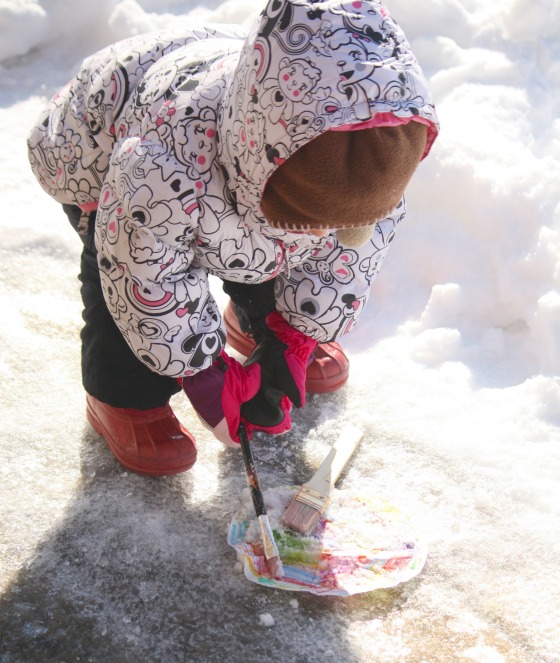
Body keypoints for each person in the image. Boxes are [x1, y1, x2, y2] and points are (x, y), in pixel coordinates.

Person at [28, 0, 439, 476]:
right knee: (122, 287)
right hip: (96, 153)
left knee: (272, 249)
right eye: (308, 220)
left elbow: (349, 255)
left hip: (242, 170)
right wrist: (202, 373)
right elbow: (143, 275)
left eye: (345, 221)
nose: (329, 235)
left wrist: (295, 334)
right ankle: (120, 395)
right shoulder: (160, 165)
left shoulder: (374, 165)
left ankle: (252, 322)